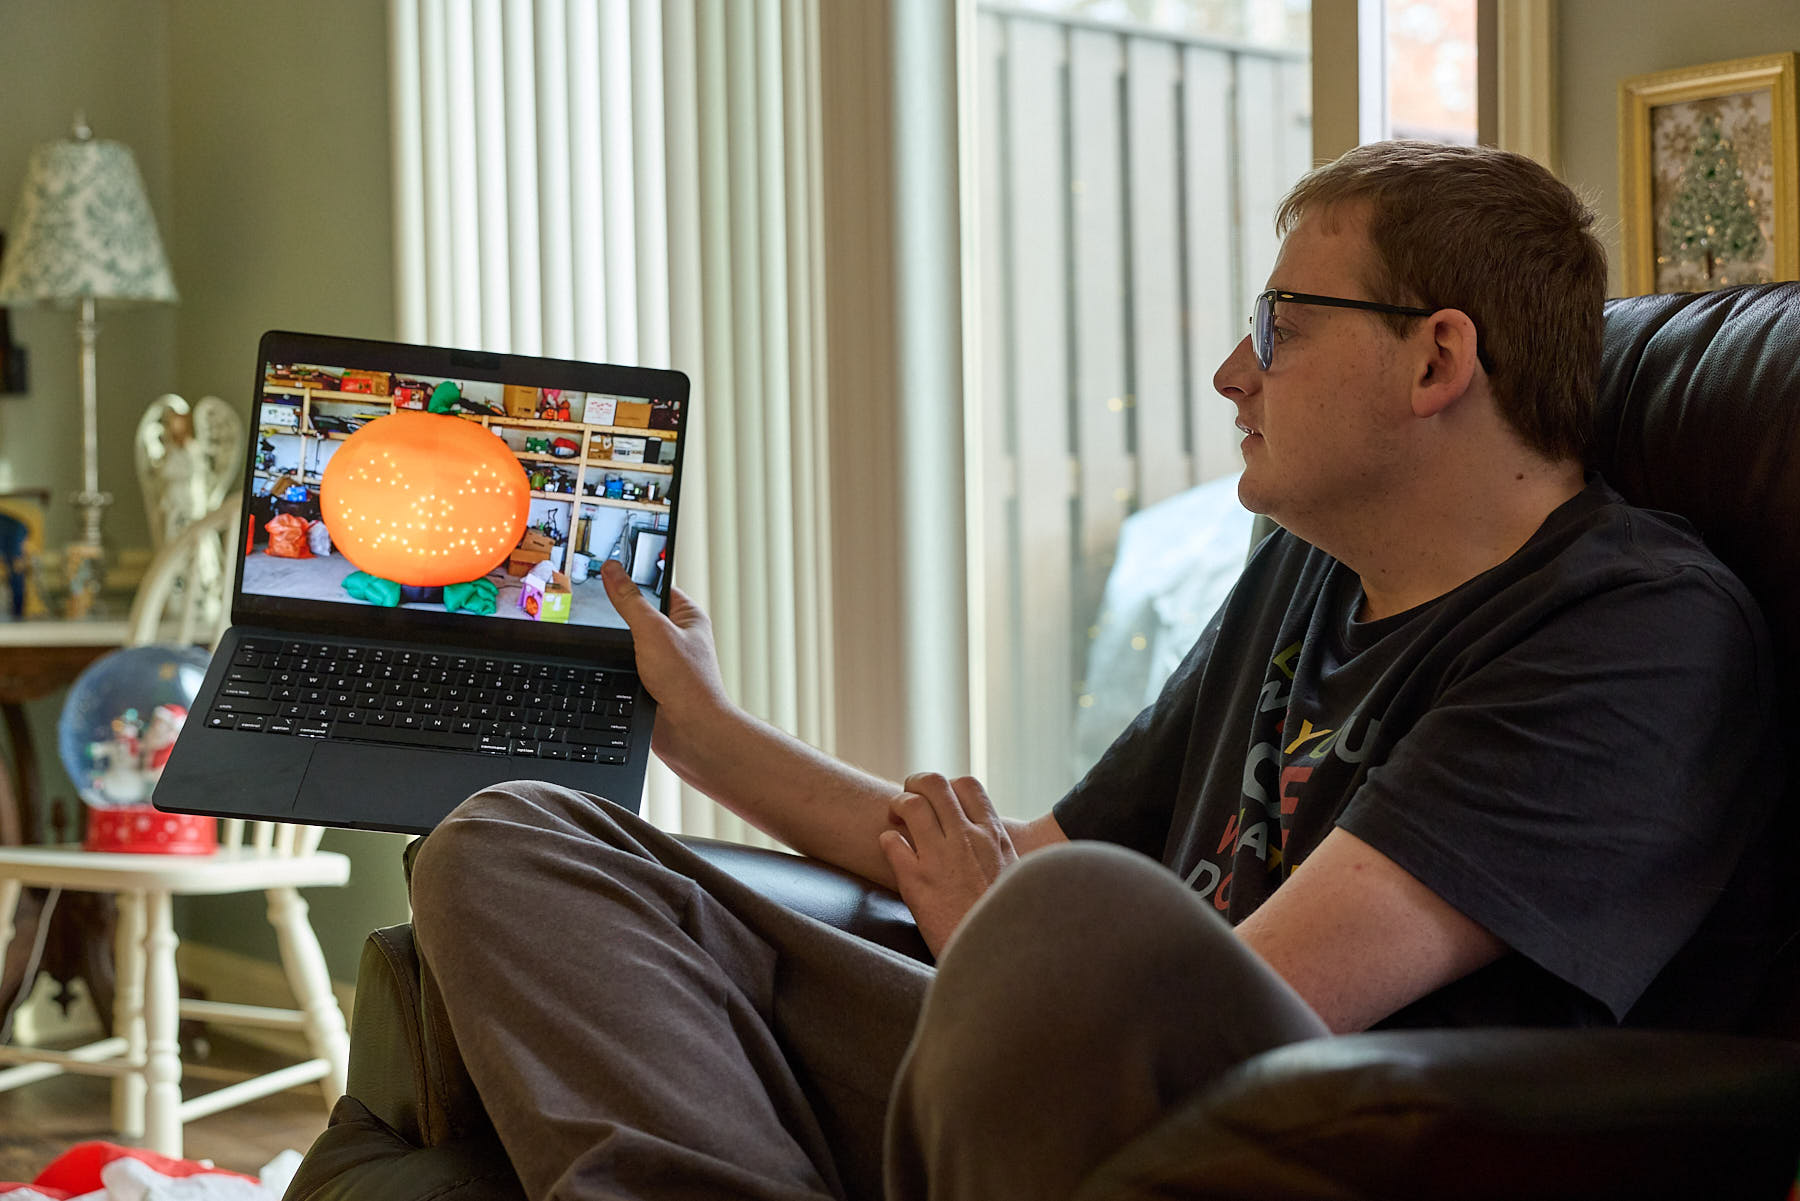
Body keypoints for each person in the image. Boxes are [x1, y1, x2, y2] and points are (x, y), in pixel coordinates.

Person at [409, 141, 1784, 1201]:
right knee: (511, 839)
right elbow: (1022, 854)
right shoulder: (1311, 572)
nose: (1231, 371)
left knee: (1073, 925)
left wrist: (1000, 927)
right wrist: (704, 732)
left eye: (1284, 322)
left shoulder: (1631, 633)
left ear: (1438, 358)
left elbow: (1246, 1009)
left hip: (1264, 1144)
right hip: (1032, 1087)